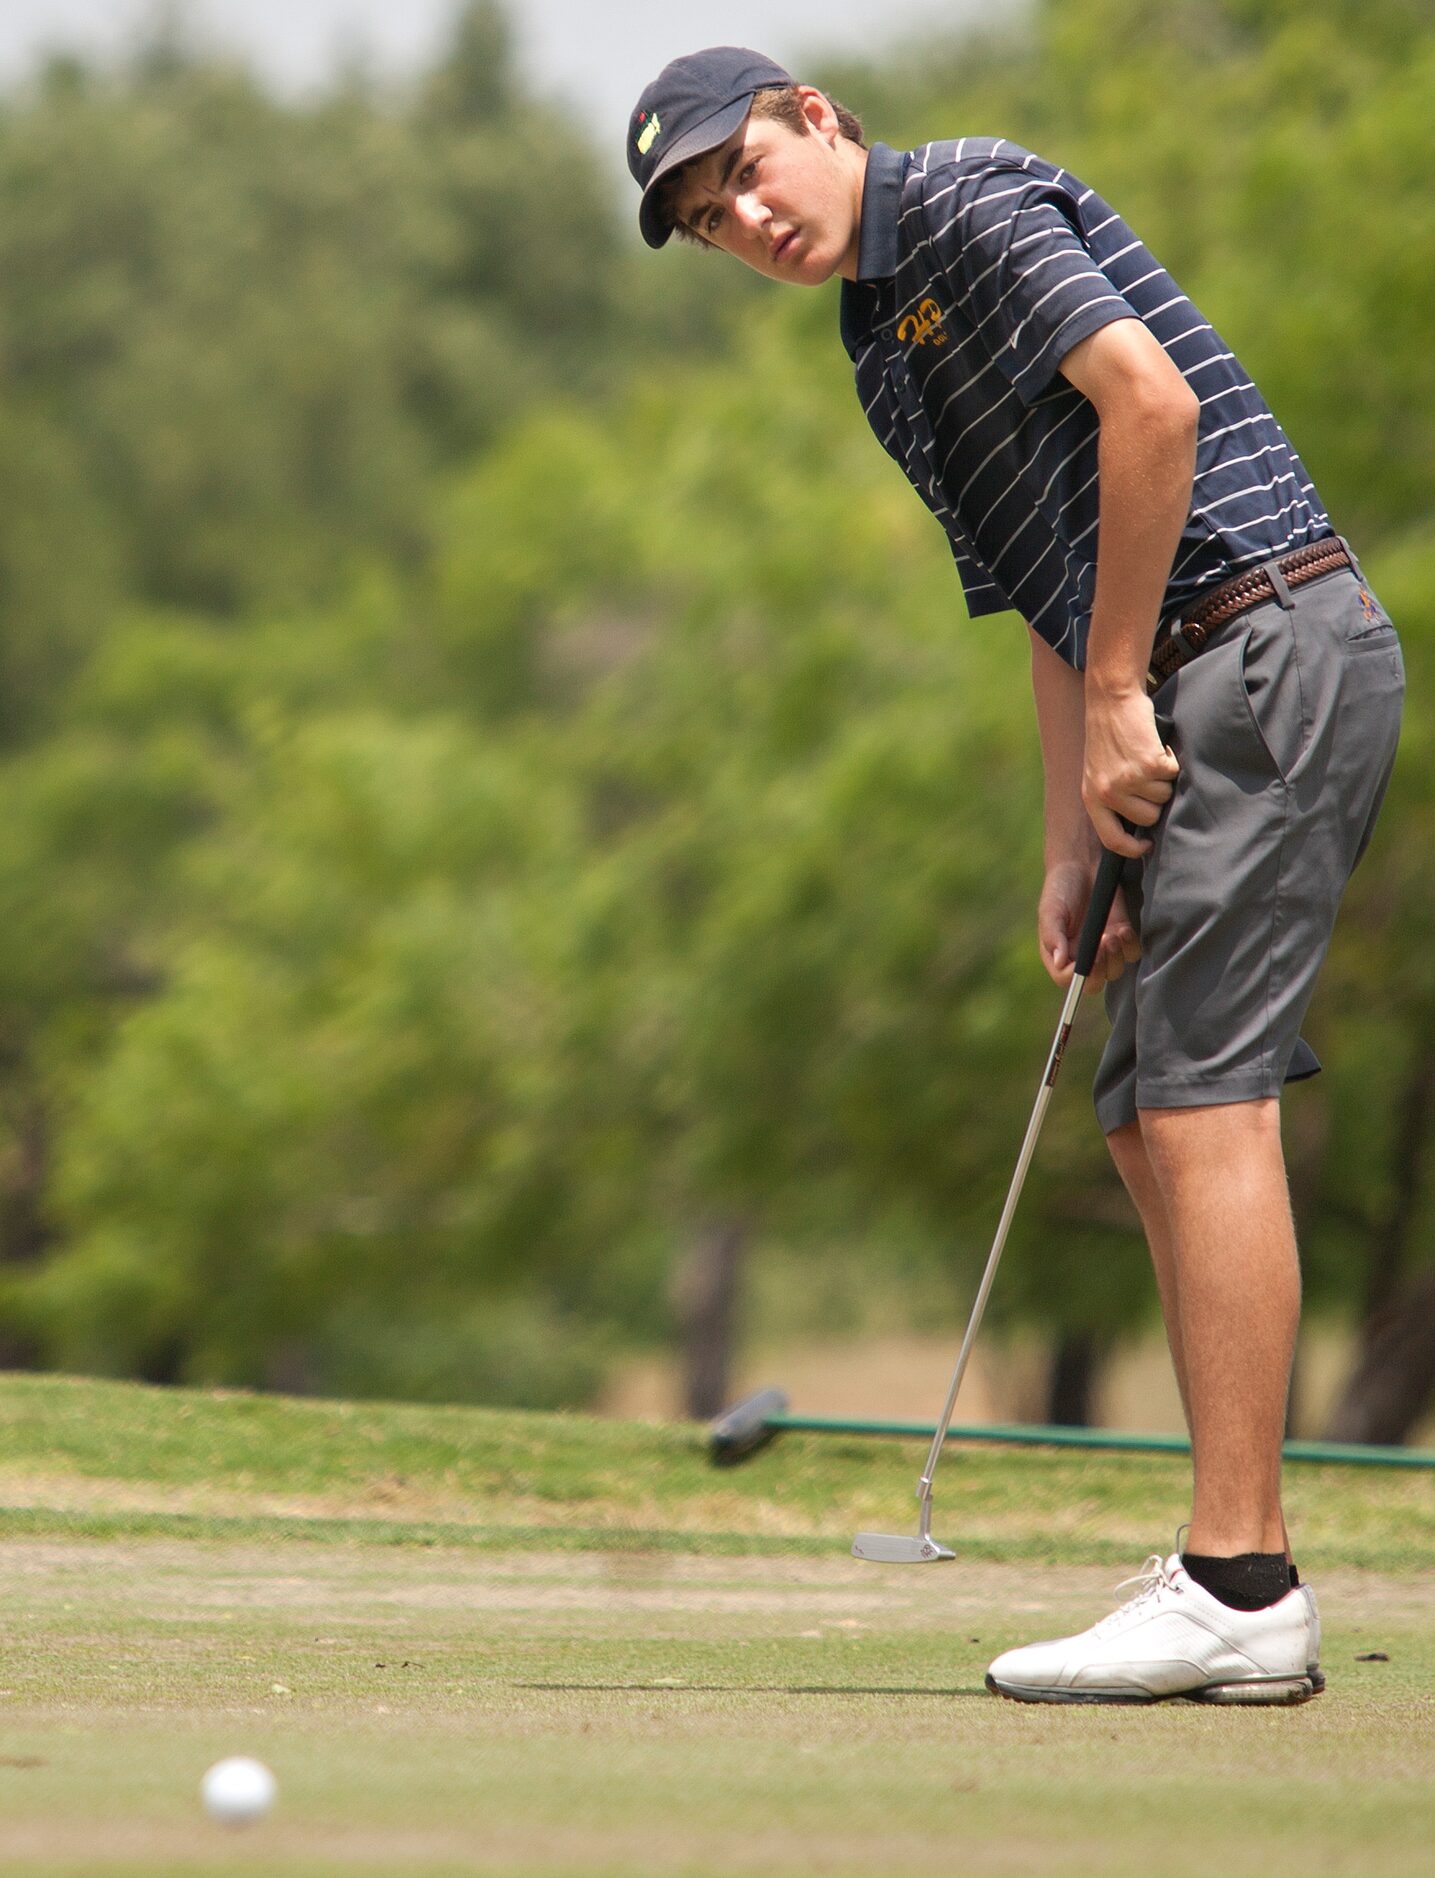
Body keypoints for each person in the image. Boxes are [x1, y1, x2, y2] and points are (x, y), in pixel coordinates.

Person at [625, 47, 1403, 1704]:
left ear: (818, 116)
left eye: (747, 172)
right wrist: (1069, 835)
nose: (743, 219)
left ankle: (1241, 1582)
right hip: (1180, 667)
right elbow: (1042, 595)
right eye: (706, 220)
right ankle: (1231, 1560)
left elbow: (1152, 405)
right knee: (1141, 1112)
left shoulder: (966, 204)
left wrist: (1126, 693)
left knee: (1205, 1102)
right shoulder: (877, 344)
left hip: (1259, 638)